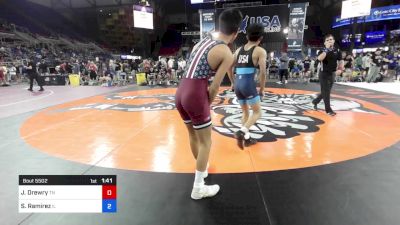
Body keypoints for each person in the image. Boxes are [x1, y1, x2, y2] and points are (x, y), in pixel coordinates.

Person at [175, 8, 242, 200]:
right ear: (236, 32)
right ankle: (198, 188)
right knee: (206, 141)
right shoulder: (226, 52)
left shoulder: (202, 41)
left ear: (219, 26)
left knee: (193, 136)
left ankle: (201, 172)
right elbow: (214, 87)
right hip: (195, 93)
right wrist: (206, 104)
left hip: (180, 92)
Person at [229, 23, 267, 149]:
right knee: (258, 112)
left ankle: (247, 139)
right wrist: (262, 89)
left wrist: (233, 82)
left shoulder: (239, 50)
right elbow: (262, 72)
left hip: (238, 85)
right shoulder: (260, 51)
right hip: (248, 84)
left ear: (247, 36)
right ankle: (242, 131)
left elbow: (229, 66)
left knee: (245, 112)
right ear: (261, 38)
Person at [312, 34, 343, 116]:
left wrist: (340, 69)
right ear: (325, 42)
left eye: (331, 39)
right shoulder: (322, 50)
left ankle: (315, 101)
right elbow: (319, 59)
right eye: (328, 40)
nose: (330, 41)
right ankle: (328, 110)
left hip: (332, 73)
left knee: (325, 92)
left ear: (334, 41)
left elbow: (341, 60)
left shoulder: (337, 50)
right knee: (327, 92)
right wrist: (327, 50)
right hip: (323, 73)